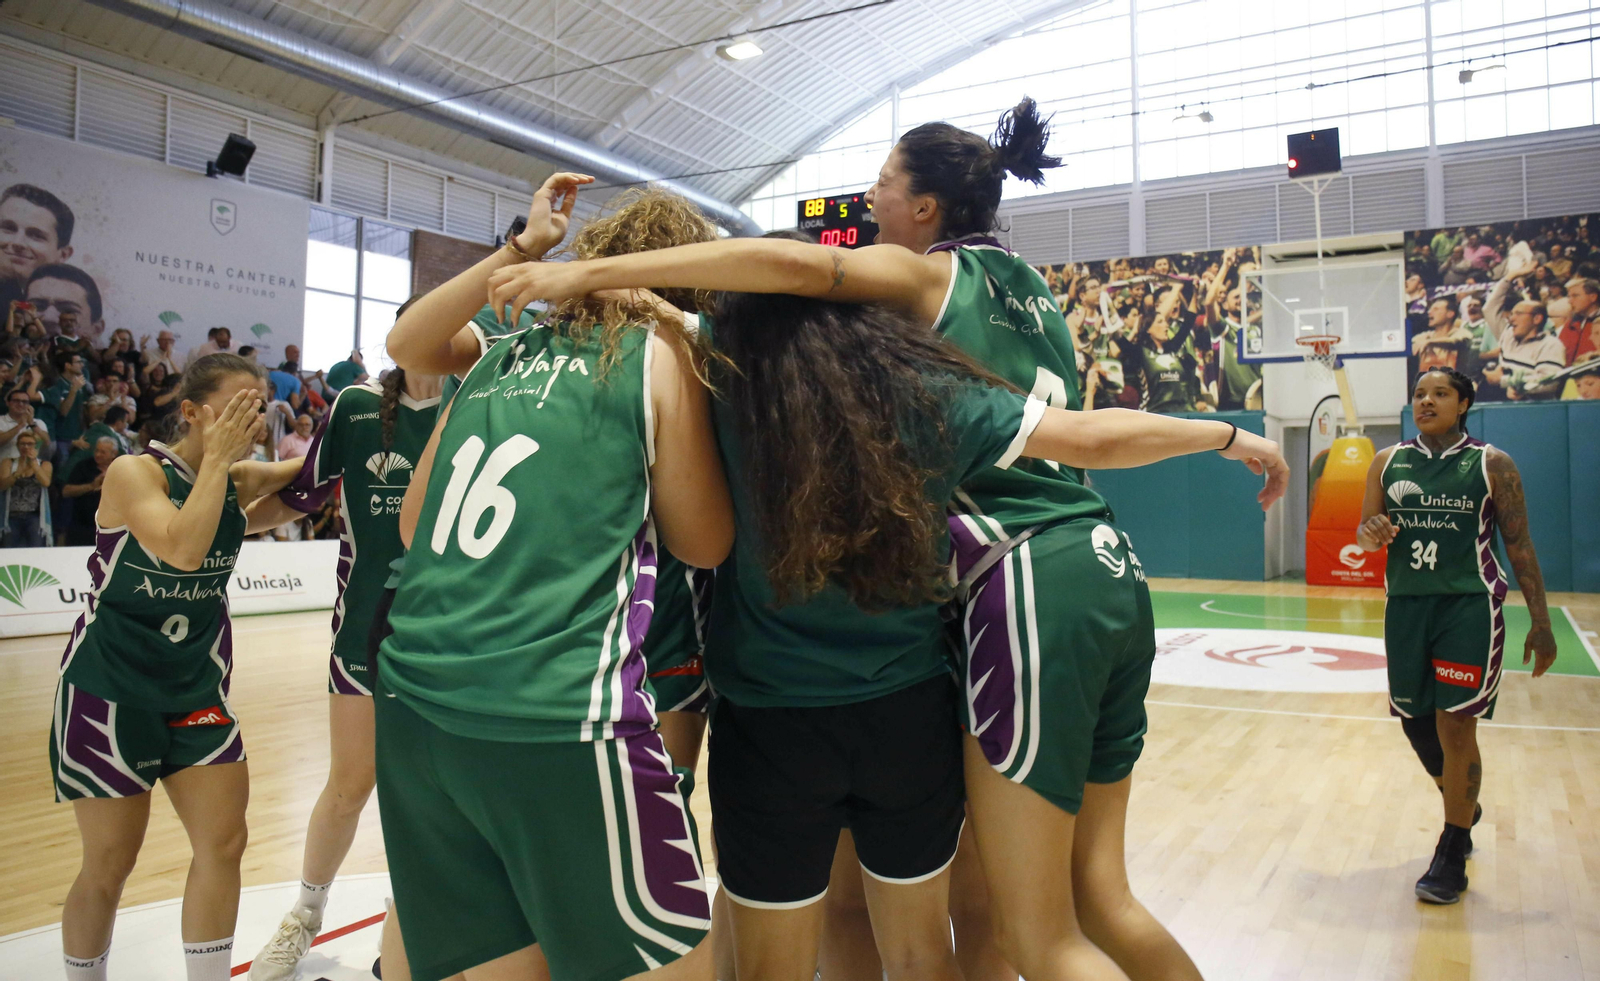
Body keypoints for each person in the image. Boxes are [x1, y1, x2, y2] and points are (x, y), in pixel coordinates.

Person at [486, 99, 1287, 981]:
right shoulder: (1026, 298)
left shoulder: (918, 287)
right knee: (1056, 900)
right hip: (1086, 558)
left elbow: (784, 271)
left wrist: (580, 276)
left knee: (1039, 935)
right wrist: (1220, 433)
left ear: (927, 211)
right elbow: (1089, 436)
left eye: (881, 187)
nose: (866, 206)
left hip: (1008, 583)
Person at [375, 176, 732, 981]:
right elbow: (704, 543)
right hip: (555, 714)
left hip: (417, 712)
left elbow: (411, 521)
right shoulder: (659, 352)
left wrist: (520, 248)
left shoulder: (499, 354)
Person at [50, 353, 302, 981]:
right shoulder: (135, 474)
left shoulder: (236, 480)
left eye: (260, 401)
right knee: (109, 865)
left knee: (223, 844)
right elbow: (185, 549)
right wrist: (221, 461)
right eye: (238, 402)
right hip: (109, 691)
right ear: (191, 411)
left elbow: (308, 479)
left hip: (195, 687)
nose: (253, 414)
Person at [242, 324, 444, 981]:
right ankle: (303, 915)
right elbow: (304, 492)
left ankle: (412, 922)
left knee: (434, 795)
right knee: (351, 782)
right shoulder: (357, 408)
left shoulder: (480, 400)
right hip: (365, 625)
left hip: (453, 632)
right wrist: (212, 524)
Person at [1356, 368, 1557, 904]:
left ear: (1463, 403)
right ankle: (1460, 799)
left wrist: (1541, 622)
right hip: (1405, 607)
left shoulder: (1492, 464)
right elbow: (1366, 531)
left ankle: (1452, 846)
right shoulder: (1387, 461)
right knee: (1414, 721)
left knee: (1456, 726)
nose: (1426, 401)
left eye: (1439, 393)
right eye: (1419, 394)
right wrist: (1371, 533)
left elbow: (1519, 545)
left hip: (1468, 607)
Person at [1480, 268, 1565, 401]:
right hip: (1501, 402)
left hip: (1532, 411)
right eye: (1512, 314)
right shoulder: (1508, 335)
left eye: (1518, 314)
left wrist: (1505, 381)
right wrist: (1511, 276)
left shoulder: (1550, 345)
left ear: (1537, 319)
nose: (1512, 318)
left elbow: (1550, 382)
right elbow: (1489, 309)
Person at [0, 183, 75, 313]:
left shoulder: (60, 314)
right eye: (8, 228)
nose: (18, 242)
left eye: (36, 236)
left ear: (63, 255)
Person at [0, 428, 52, 546]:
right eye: (23, 444)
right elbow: (2, 485)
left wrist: (34, 464)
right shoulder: (8, 462)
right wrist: (17, 474)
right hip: (11, 516)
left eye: (30, 444)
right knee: (9, 550)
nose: (26, 447)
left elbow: (46, 482)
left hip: (34, 516)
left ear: (36, 446)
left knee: (36, 548)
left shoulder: (44, 464)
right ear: (18, 446)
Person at [1412, 295, 1474, 373]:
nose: (1429, 312)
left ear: (1450, 314)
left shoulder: (1462, 333)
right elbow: (1412, 344)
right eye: (1430, 309)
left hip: (1453, 383)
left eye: (1436, 309)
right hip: (1427, 383)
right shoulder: (1425, 336)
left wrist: (1429, 342)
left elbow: (1454, 342)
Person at [0, 384, 50, 460]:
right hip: (5, 465)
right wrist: (21, 425)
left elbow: (47, 443)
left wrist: (32, 424)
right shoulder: (1, 420)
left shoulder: (38, 423)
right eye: (16, 401)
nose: (20, 404)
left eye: (25, 402)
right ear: (8, 403)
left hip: (30, 466)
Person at [1557, 277, 1598, 365]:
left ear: (1593, 297)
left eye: (1575, 296)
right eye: (1569, 296)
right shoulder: (1570, 324)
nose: (1569, 301)